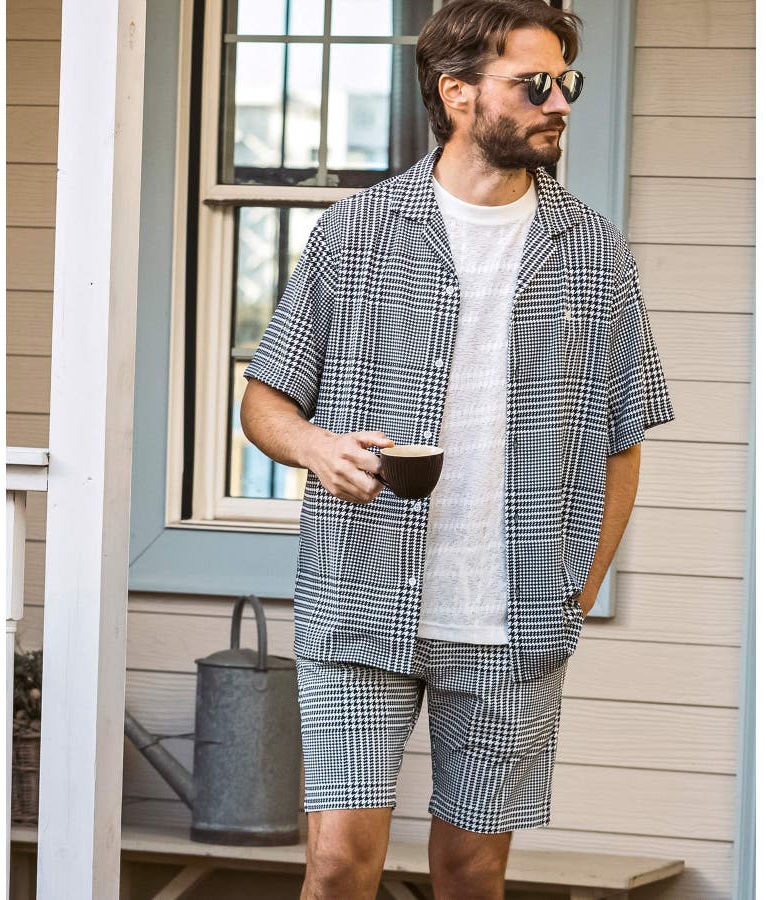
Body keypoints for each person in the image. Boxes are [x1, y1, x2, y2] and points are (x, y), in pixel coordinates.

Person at [240, 1, 675, 897]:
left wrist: (578, 590)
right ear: (458, 93)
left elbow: (621, 442)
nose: (560, 103)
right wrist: (317, 447)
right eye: (534, 84)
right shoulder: (356, 232)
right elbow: (265, 403)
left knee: (472, 873)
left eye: (566, 82)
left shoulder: (595, 252)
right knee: (337, 863)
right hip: (360, 599)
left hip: (517, 618)